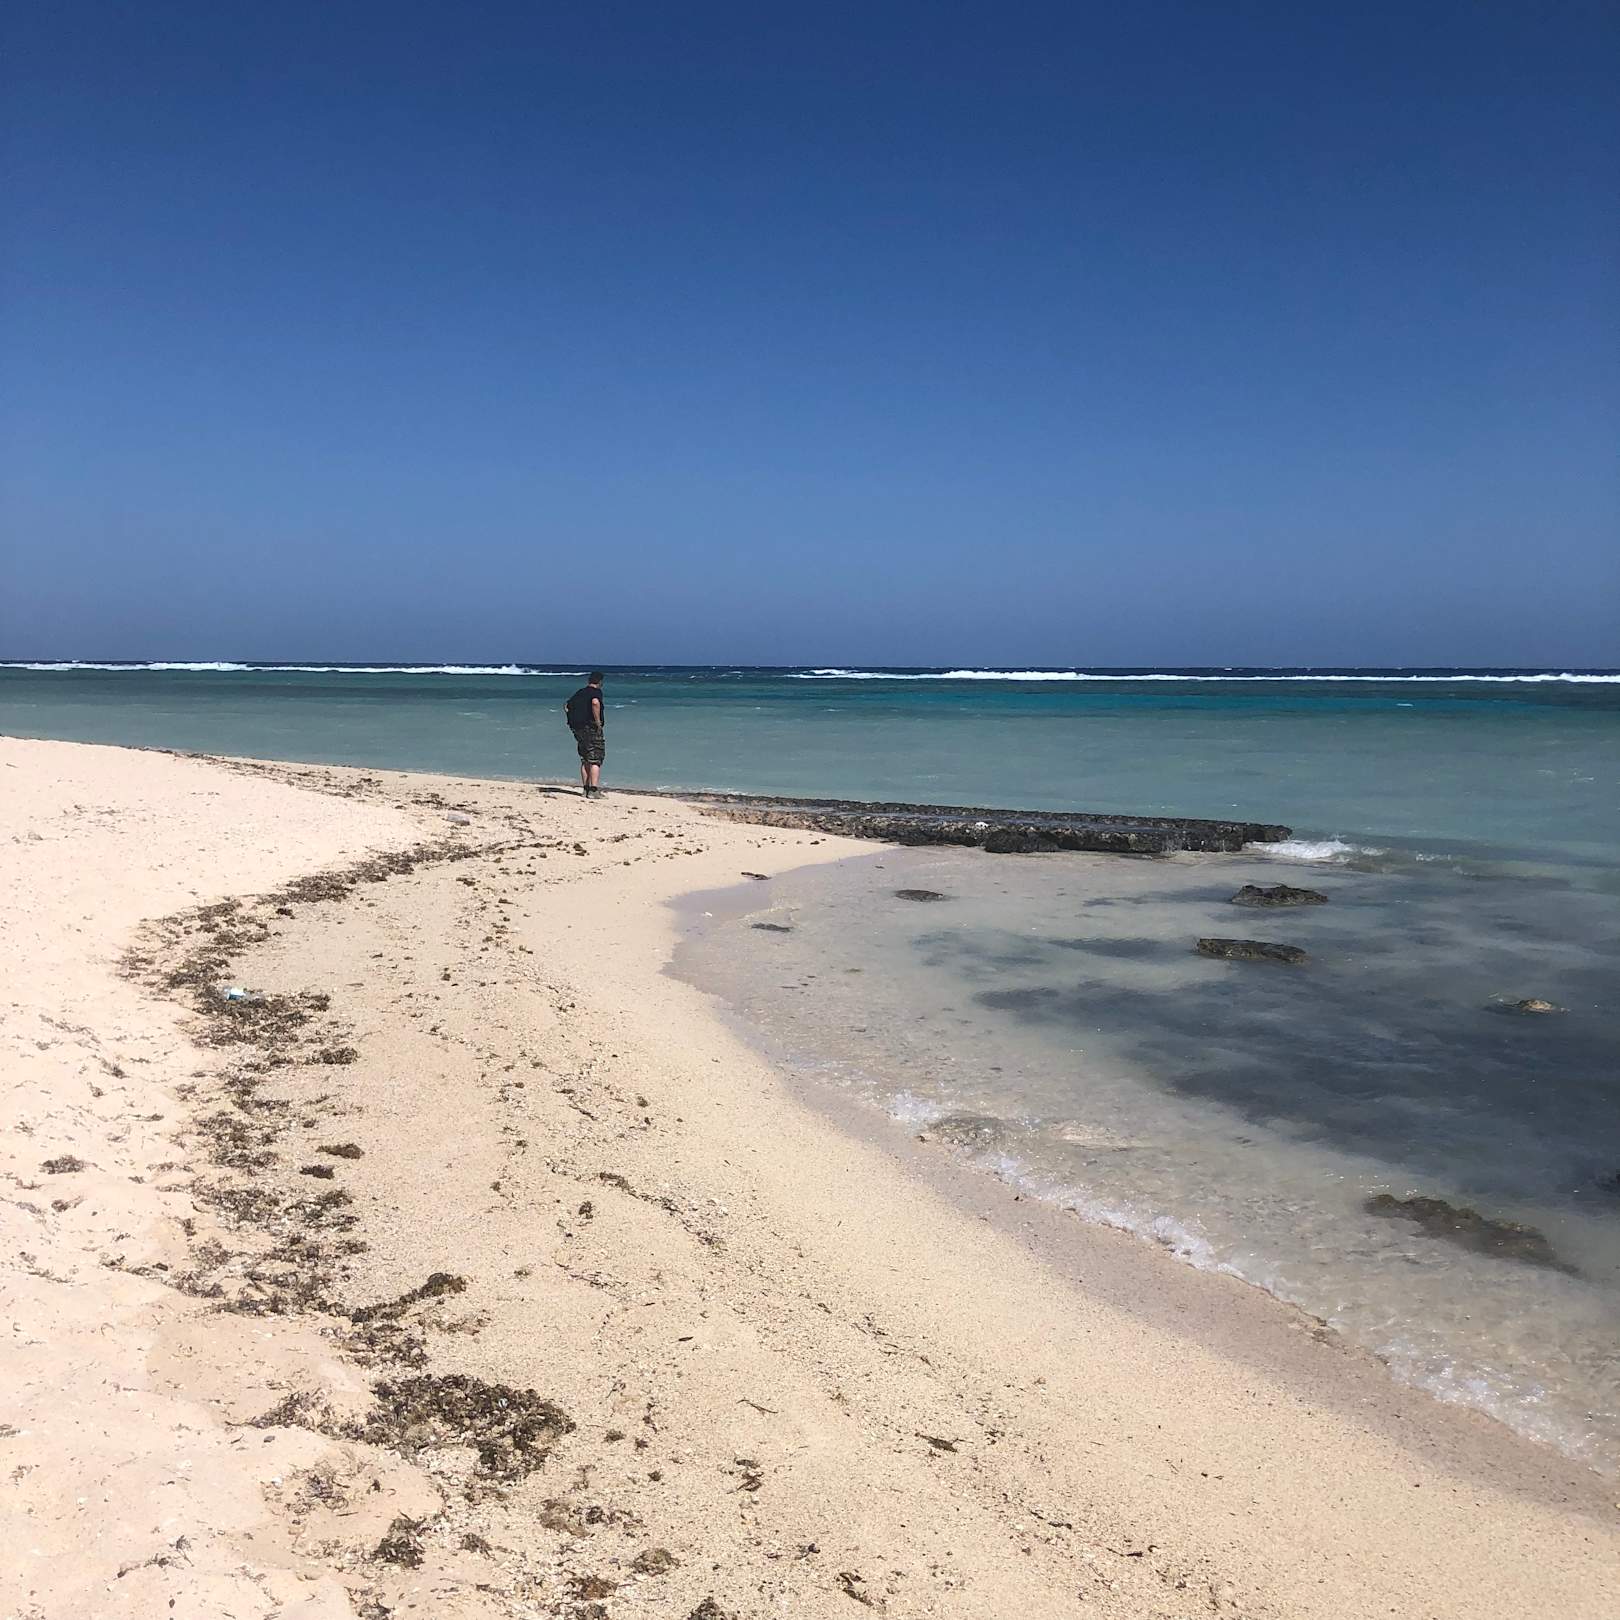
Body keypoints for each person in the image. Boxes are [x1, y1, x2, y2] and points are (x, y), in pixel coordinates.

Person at [564, 671, 606, 797]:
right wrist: (597, 722)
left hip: (578, 729)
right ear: (600, 682)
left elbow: (566, 706)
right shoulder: (596, 692)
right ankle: (593, 790)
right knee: (596, 758)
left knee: (585, 758)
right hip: (591, 727)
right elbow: (595, 703)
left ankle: (585, 789)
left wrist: (572, 719)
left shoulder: (580, 692)